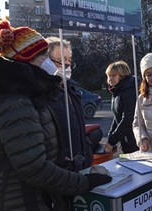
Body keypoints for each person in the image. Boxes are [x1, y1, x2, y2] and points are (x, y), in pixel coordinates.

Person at [0, 20, 111, 210]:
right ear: (25, 61)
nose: (49, 64)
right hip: (24, 202)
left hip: (36, 198)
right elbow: (35, 169)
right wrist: (84, 182)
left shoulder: (25, 95)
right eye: (44, 57)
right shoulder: (15, 103)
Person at [46, 36, 93, 170]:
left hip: (81, 163)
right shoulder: (43, 94)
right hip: (60, 169)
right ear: (46, 62)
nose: (67, 65)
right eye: (61, 60)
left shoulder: (73, 90)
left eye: (69, 60)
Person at [104, 61, 139, 154]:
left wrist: (112, 141)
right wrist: (110, 137)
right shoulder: (117, 90)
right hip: (126, 140)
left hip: (135, 140)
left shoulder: (129, 90)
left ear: (122, 76)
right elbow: (116, 117)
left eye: (113, 75)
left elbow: (128, 119)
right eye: (109, 76)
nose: (110, 79)